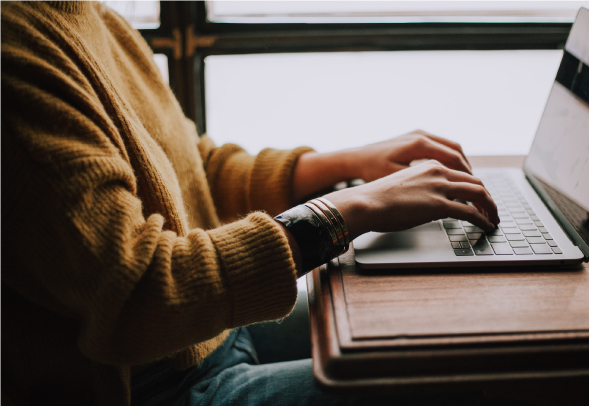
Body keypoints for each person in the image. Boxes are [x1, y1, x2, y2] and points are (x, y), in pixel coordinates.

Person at [1, 2, 499, 406]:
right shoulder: (15, 51)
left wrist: (347, 164)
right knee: (472, 382)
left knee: (456, 334)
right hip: (154, 387)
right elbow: (139, 294)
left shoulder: (89, 15)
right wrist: (351, 208)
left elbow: (189, 169)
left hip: (211, 334)